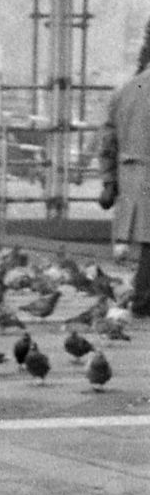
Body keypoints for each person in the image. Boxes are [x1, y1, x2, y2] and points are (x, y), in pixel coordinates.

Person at [97, 21, 150, 317]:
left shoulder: (128, 89)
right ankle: (142, 300)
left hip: (132, 178)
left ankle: (141, 298)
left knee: (147, 247)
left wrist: (108, 181)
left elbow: (107, 140)